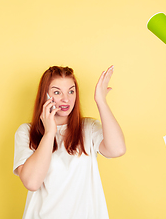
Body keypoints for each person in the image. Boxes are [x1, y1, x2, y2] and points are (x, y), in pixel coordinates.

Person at [13, 65, 126, 219]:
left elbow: (117, 149)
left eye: (71, 91)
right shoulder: (26, 132)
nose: (66, 99)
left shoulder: (88, 128)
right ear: (44, 95)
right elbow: (32, 182)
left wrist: (101, 101)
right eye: (57, 92)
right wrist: (49, 132)